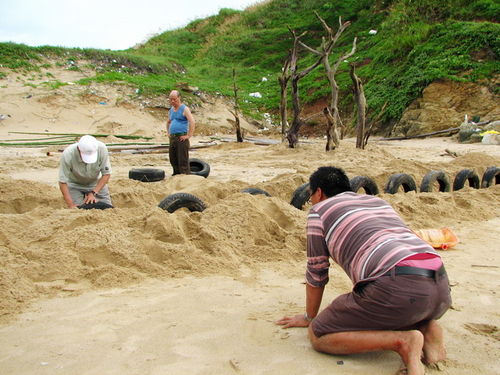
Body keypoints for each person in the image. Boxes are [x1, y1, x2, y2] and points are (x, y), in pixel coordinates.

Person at [277, 166, 451, 375]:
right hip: (440, 284)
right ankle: (428, 327)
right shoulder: (378, 202)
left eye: (311, 195)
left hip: (398, 286)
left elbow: (317, 271)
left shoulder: (318, 212)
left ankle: (404, 341)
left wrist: (309, 317)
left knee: (320, 333)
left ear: (319, 192)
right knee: (390, 308)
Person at [58, 135, 112, 208]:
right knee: (80, 208)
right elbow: (62, 182)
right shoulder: (68, 154)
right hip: (74, 185)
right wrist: (70, 204)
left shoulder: (102, 149)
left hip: (95, 183)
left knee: (107, 207)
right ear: (78, 149)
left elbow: (106, 174)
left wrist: (93, 193)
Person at [166, 90, 196, 175]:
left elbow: (192, 122)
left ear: (179, 98)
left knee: (182, 159)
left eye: (174, 99)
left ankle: (185, 176)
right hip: (173, 137)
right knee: (173, 158)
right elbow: (168, 122)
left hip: (181, 137)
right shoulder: (171, 110)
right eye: (171, 99)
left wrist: (189, 135)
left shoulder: (184, 109)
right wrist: (168, 133)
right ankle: (176, 175)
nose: (172, 101)